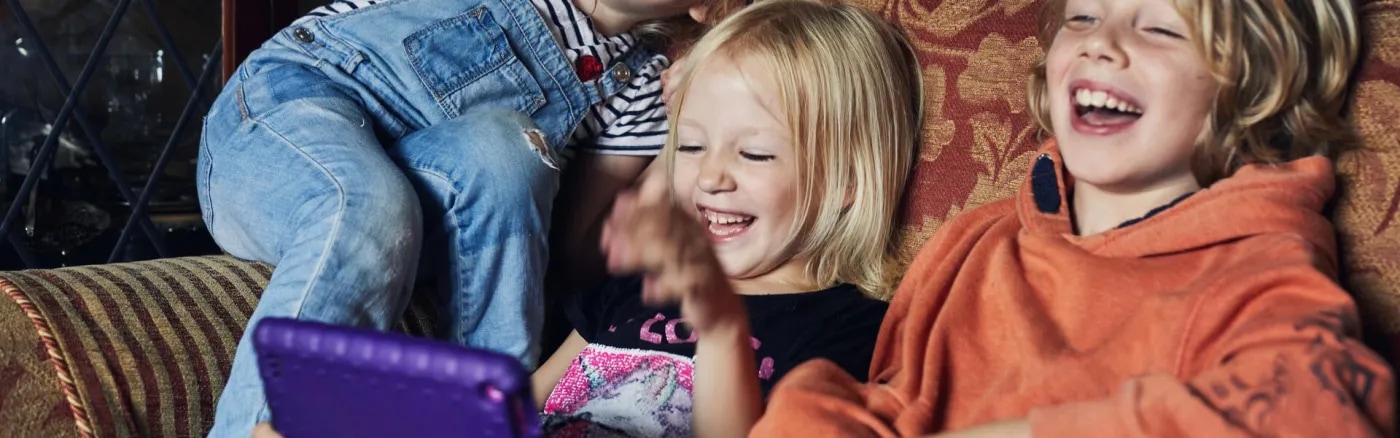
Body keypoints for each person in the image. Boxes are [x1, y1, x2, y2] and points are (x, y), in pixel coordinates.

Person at [749, 0, 1397, 436]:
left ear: (1252, 85)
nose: (1101, 45)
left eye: (1159, 28)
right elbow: (894, 399)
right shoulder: (978, 238)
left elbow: (1322, 406)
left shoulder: (1256, 267)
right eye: (1082, 17)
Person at [197, 0, 743, 435]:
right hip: (281, 122)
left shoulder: (646, 86)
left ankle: (478, 420)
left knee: (507, 150)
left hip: (426, 199)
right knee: (371, 203)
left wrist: (694, 108)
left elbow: (572, 255)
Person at [530, 1, 923, 436]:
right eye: (691, 146)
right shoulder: (638, 283)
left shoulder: (852, 332)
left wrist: (720, 328)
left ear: (847, 179)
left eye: (754, 153)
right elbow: (517, 406)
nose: (710, 177)